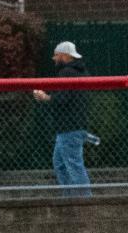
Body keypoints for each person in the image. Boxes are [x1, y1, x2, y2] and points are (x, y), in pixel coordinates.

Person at [35, 41, 97, 198]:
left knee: (72, 165)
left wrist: (44, 97)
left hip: (69, 128)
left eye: (56, 55)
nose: (54, 59)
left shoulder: (66, 73)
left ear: (64, 55)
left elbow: (61, 100)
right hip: (73, 127)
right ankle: (70, 198)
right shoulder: (81, 72)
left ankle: (83, 201)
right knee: (61, 164)